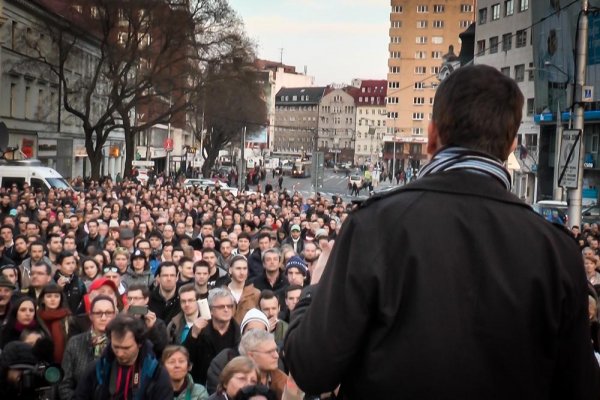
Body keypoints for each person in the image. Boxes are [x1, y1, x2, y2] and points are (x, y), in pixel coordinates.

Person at [284, 65, 600, 397]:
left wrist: (314, 291)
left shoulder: (375, 226)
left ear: (432, 135)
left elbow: (311, 368)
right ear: (511, 146)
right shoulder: (556, 251)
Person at [74, 314, 173, 399]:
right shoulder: (96, 369)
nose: (120, 353)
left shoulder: (157, 374)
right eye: (116, 347)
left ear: (140, 343)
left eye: (126, 348)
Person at [59, 295, 117, 400]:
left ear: (114, 315)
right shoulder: (75, 342)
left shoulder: (121, 344)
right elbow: (64, 384)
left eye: (108, 313)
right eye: (98, 313)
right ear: (90, 315)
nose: (103, 318)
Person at [183, 288, 241, 386]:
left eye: (230, 306)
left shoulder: (238, 333)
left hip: (230, 385)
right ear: (211, 310)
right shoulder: (199, 329)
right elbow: (186, 358)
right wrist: (193, 336)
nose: (226, 309)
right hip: (201, 385)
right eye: (221, 307)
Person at [238, 330, 287, 399]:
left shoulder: (284, 382)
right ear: (251, 356)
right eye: (269, 352)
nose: (276, 356)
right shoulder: (235, 382)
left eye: (276, 350)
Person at [37, 282, 73, 363]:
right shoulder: (36, 317)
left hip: (65, 362)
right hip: (41, 362)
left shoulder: (68, 318)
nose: (53, 299)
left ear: (61, 299)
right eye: (49, 296)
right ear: (42, 299)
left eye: (56, 296)